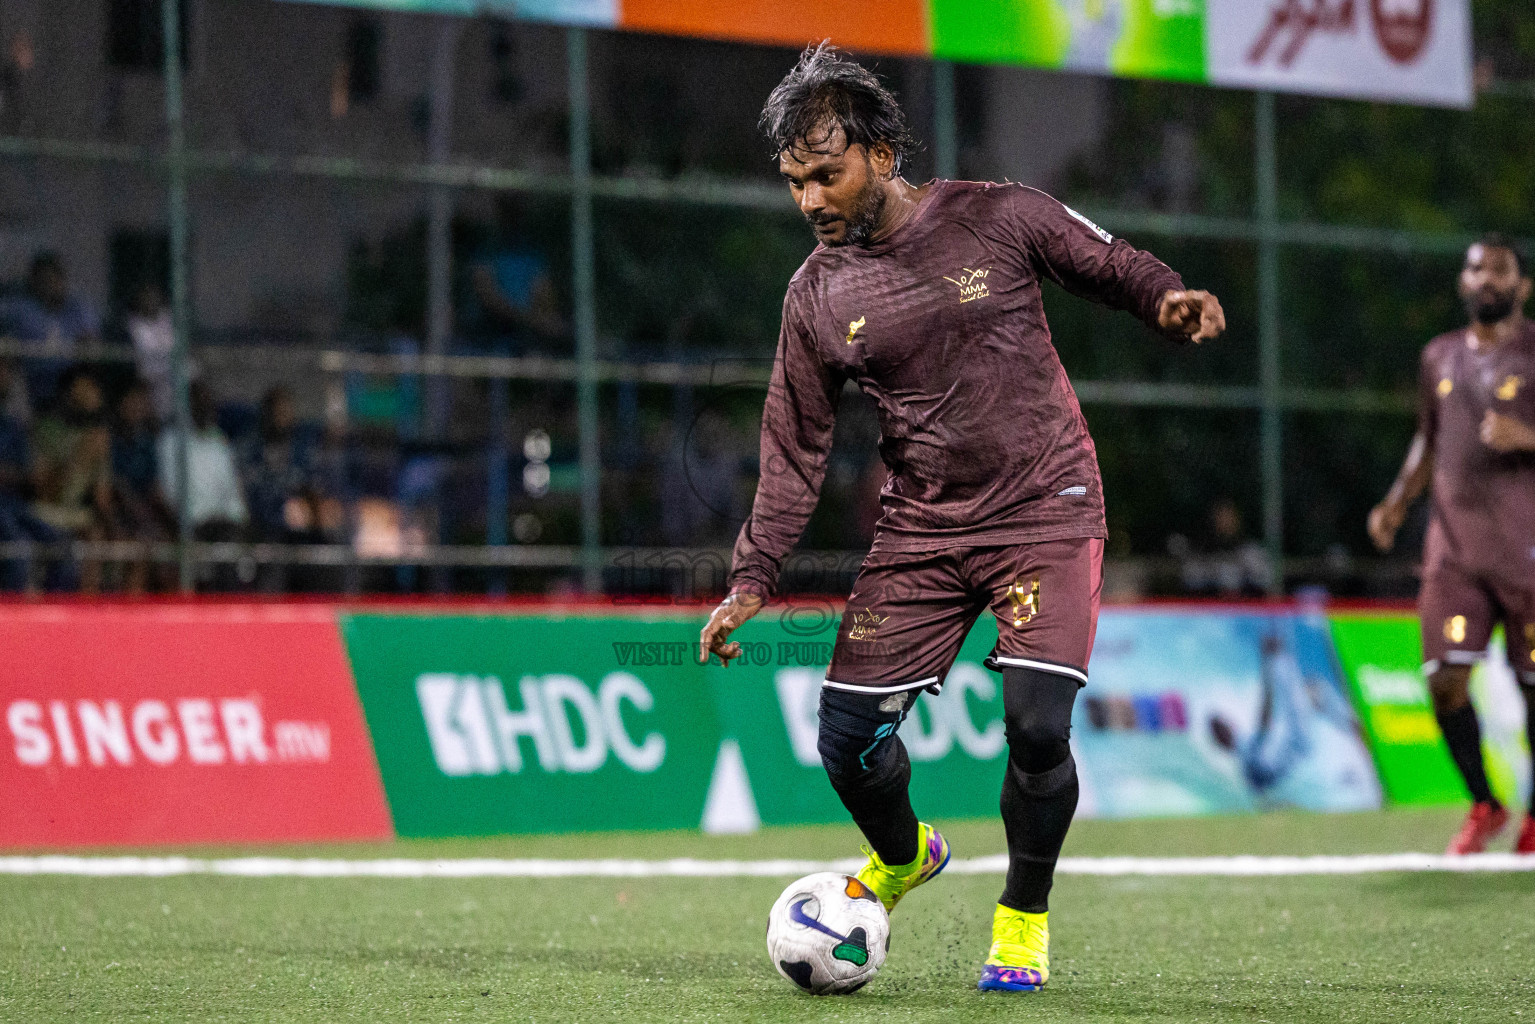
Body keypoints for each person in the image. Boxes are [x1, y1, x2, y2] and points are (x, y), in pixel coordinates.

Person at [696, 46, 1225, 994]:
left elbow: (1103, 262)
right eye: (794, 183)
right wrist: (750, 578)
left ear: (883, 153)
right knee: (844, 742)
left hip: (1045, 508)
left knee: (1034, 729)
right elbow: (793, 447)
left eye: (828, 173)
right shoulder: (814, 296)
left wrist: (1163, 297)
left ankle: (1021, 918)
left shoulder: (997, 214)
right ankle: (901, 857)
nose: (811, 200)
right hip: (921, 533)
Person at [1368, 235, 1535, 856]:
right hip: (1455, 553)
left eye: (1500, 270)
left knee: (1533, 688)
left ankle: (1534, 816)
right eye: (1475, 268)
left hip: (1527, 557)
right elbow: (1428, 442)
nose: (1486, 278)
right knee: (1444, 682)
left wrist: (1527, 436)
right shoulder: (1437, 356)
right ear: (1463, 281)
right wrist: (1395, 502)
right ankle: (1485, 804)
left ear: (1522, 286)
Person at [30, 364, 113, 592]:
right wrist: (80, 455)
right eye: (87, 387)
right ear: (71, 391)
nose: (93, 394)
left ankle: (93, 609)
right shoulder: (48, 428)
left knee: (109, 536)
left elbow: (101, 498)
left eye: (96, 388)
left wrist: (101, 463)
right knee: (72, 543)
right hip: (46, 510)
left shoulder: (98, 434)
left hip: (77, 513)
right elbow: (44, 491)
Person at [0, 251, 101, 406]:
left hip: (71, 381)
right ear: (33, 281)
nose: (49, 285)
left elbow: (91, 340)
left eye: (53, 279)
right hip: (31, 380)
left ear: (61, 279)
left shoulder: (77, 307)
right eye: (43, 280)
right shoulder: (20, 308)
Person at [158, 378, 248, 545]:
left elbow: (232, 487)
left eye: (208, 402)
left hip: (223, 522)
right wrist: (187, 519)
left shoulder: (219, 441)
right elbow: (170, 490)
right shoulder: (172, 440)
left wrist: (237, 517)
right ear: (188, 405)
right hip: (190, 522)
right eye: (199, 402)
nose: (204, 407)